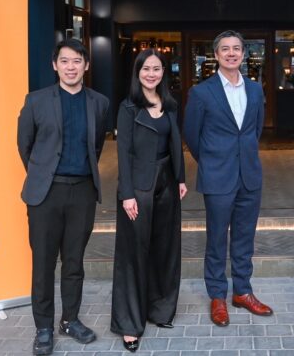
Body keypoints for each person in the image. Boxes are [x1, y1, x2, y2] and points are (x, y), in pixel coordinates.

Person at [17, 39, 110, 356]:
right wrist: (43, 174)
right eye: (65, 61)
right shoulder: (36, 101)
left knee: (74, 262)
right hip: (46, 193)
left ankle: (70, 320)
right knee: (43, 264)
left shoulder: (99, 103)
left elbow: (96, 146)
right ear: (55, 65)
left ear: (87, 65)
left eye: (77, 61)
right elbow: (25, 146)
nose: (71, 67)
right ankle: (43, 327)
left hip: (82, 191)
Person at [183, 30, 273, 326]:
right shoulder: (201, 92)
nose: (231, 53)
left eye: (236, 48)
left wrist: (241, 157)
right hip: (217, 177)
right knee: (217, 239)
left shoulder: (255, 90)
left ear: (243, 54)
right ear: (216, 55)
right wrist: (212, 162)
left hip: (250, 176)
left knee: (245, 238)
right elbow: (192, 136)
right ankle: (218, 296)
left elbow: (254, 131)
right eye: (225, 49)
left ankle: (243, 292)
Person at [110, 49, 188, 352]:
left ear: (163, 72)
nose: (151, 74)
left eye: (156, 69)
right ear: (137, 72)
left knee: (164, 249)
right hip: (138, 187)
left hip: (167, 182)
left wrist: (180, 178)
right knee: (133, 254)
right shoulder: (128, 107)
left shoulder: (170, 104)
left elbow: (175, 143)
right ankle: (129, 324)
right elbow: (123, 153)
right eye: (146, 69)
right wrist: (127, 194)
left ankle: (160, 310)